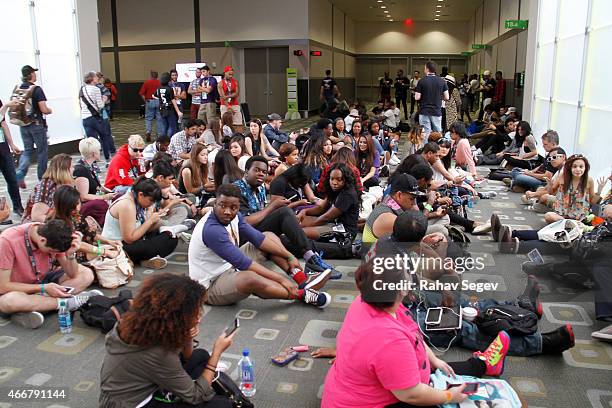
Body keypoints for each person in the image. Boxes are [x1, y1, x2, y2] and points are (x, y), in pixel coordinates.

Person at [320, 255, 511, 408]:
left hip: (359, 389)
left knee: (443, 372)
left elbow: (413, 334)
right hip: (374, 401)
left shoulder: (368, 301)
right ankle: (480, 367)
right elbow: (410, 394)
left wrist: (434, 360)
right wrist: (448, 396)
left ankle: (483, 364)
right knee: (447, 393)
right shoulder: (390, 341)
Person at [99, 273, 236, 408]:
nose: (199, 317)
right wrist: (217, 353)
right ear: (176, 316)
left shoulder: (135, 324)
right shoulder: (159, 353)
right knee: (221, 404)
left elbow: (188, 357)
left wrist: (187, 337)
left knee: (200, 356)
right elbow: (195, 396)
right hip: (131, 404)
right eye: (195, 311)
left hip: (131, 385)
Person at [188, 183, 331, 307]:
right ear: (215, 204)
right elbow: (243, 263)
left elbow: (258, 239)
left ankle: (302, 280)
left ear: (238, 207)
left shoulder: (235, 217)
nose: (227, 211)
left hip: (228, 266)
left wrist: (290, 256)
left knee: (269, 236)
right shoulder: (212, 230)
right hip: (210, 285)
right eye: (222, 205)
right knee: (250, 278)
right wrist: (281, 279)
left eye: (233, 207)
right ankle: (300, 294)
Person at [235, 157, 340, 277]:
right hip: (242, 236)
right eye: (257, 170)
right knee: (285, 214)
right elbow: (245, 222)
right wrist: (273, 207)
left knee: (293, 241)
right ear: (247, 170)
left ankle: (335, 253)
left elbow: (262, 214)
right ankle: (311, 260)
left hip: (259, 232)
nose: (261, 174)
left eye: (264, 172)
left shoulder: (260, 188)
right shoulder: (237, 189)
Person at [0, 219, 100, 329]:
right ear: (42, 240)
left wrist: (71, 254)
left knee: (86, 274)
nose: (54, 255)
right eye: (51, 251)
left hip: (43, 281)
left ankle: (37, 306)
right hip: (16, 288)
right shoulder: (7, 241)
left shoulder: (55, 234)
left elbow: (72, 274)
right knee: (9, 301)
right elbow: (3, 287)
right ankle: (68, 302)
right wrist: (43, 288)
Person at [101, 177, 178, 269]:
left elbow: (142, 228)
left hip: (133, 241)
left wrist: (152, 216)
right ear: (141, 194)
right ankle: (141, 258)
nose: (151, 204)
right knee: (169, 238)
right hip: (118, 246)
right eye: (151, 200)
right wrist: (150, 221)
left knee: (168, 235)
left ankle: (144, 259)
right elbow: (129, 238)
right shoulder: (127, 205)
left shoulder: (135, 200)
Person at [298, 163, 360, 241]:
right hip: (332, 224)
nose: (334, 182)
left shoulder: (347, 194)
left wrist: (304, 226)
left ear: (346, 180)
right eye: (332, 179)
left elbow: (326, 218)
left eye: (339, 179)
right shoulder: (333, 190)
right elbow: (321, 208)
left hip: (344, 231)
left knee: (300, 233)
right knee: (301, 222)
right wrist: (304, 211)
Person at [15, 65, 52, 188]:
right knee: (42, 151)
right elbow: (43, 109)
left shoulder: (18, 88)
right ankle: (42, 179)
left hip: (23, 124)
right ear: (30, 75)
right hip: (36, 124)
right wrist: (49, 110)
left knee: (27, 150)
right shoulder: (36, 89)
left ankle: (20, 172)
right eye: (34, 73)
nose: (35, 75)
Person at [363, 173, 426, 244]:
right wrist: (429, 205)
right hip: (373, 254)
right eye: (412, 199)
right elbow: (418, 231)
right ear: (399, 195)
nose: (413, 204)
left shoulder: (387, 204)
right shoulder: (390, 219)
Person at [544, 154, 604, 224]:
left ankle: (570, 225)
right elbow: (552, 193)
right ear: (570, 168)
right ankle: (571, 225)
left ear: (585, 168)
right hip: (561, 215)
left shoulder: (589, 180)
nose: (578, 169)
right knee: (548, 216)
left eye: (581, 167)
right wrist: (549, 185)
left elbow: (592, 202)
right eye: (574, 166)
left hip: (579, 218)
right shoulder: (563, 176)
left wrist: (599, 190)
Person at [73, 138, 114, 226]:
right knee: (102, 205)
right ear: (93, 153)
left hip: (95, 198)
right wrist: (104, 197)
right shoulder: (81, 171)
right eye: (99, 150)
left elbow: (98, 186)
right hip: (86, 205)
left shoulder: (89, 166)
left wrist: (111, 192)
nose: (100, 152)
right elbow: (83, 196)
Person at [22, 154, 74, 223]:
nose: (74, 169)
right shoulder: (46, 186)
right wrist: (61, 225)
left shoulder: (64, 183)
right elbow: (36, 216)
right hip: (39, 225)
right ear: (64, 170)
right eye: (72, 167)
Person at [79, 71, 113, 166]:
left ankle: (93, 164)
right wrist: (104, 99)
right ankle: (107, 159)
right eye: (95, 77)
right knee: (104, 137)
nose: (97, 78)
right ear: (92, 79)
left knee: (90, 141)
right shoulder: (96, 89)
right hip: (96, 118)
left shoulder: (82, 89)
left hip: (85, 118)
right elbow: (100, 106)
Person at [0, 99, 24, 217]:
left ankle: (18, 206)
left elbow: (3, 123)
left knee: (12, 179)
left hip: (3, 148)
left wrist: (11, 144)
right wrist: (5, 106)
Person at [415, 61, 449, 142]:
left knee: (425, 132)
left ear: (427, 69)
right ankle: (438, 150)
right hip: (437, 110)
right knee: (437, 132)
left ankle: (427, 150)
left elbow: (417, 97)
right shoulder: (442, 81)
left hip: (424, 111)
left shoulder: (422, 81)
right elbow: (447, 97)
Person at [154, 72, 182, 138]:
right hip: (169, 109)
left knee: (164, 127)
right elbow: (173, 100)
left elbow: (154, 95)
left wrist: (161, 99)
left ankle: (163, 140)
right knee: (173, 127)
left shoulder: (159, 88)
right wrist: (178, 111)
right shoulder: (169, 88)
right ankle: (169, 140)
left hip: (162, 109)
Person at [139, 71, 161, 142]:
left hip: (149, 101)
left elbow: (142, 93)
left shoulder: (147, 82)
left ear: (151, 76)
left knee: (148, 119)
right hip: (158, 101)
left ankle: (148, 132)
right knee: (159, 118)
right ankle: (159, 135)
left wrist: (145, 100)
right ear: (157, 76)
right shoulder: (160, 83)